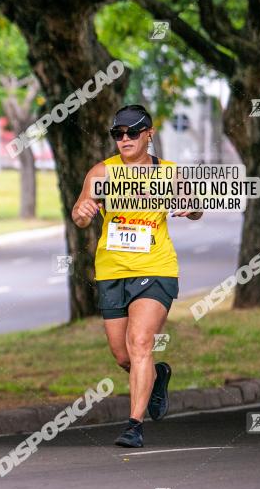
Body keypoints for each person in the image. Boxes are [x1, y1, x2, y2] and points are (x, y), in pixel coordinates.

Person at [72, 104, 202, 448]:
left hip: (156, 268)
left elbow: (195, 207)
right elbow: (81, 213)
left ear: (149, 134)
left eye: (132, 132)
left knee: (141, 342)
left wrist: (191, 207)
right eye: (118, 134)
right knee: (123, 356)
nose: (124, 139)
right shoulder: (102, 173)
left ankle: (134, 425)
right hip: (112, 271)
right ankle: (158, 377)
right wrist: (83, 213)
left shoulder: (169, 173)